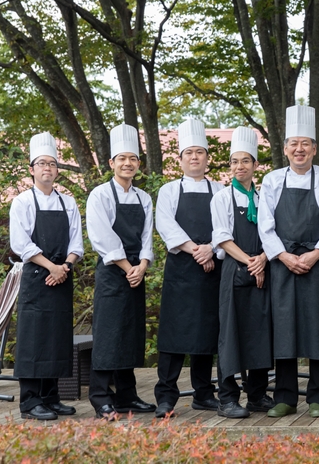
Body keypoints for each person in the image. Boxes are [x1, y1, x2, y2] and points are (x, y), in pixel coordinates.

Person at [258, 105, 319, 418]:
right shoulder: (270, 181)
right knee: (284, 328)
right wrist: (282, 255)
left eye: (305, 143)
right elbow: (265, 224)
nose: (299, 149)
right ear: (284, 149)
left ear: (314, 149)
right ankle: (285, 397)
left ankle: (318, 398)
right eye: (293, 143)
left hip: (316, 261)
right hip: (282, 262)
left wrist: (316, 253)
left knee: (316, 325)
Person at [9, 132, 83, 421]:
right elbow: (21, 244)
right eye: (42, 164)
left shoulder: (68, 203)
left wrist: (65, 267)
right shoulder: (22, 202)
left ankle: (52, 397)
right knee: (33, 338)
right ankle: (30, 402)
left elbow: (77, 244)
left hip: (63, 275)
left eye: (52, 164)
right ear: (32, 169)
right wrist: (51, 267)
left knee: (57, 337)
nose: (48, 169)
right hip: (37, 277)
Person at [86, 124, 157, 420]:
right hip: (113, 273)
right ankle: (101, 397)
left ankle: (127, 396)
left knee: (129, 333)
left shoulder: (143, 198)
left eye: (133, 159)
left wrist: (143, 265)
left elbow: (147, 237)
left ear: (138, 164)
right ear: (111, 163)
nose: (127, 164)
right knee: (108, 334)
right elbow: (102, 237)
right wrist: (129, 267)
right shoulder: (100, 195)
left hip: (135, 273)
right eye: (122, 159)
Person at [154, 118, 223, 418]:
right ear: (180, 159)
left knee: (206, 332)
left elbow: (226, 227)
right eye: (189, 153)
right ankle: (166, 397)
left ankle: (204, 393)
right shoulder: (168, 191)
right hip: (182, 271)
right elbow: (165, 224)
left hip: (212, 271)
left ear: (208, 158)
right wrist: (196, 249)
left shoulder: (221, 189)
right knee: (173, 333)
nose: (195, 157)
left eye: (200, 152)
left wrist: (212, 249)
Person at [212, 126, 275, 418]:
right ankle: (227, 398)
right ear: (230, 166)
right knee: (230, 334)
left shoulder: (264, 199)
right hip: (234, 272)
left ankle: (258, 395)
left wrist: (263, 258)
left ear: (256, 165)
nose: (240, 167)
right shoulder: (222, 198)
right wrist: (252, 262)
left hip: (262, 272)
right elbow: (222, 238)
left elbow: (274, 235)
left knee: (261, 333)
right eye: (235, 162)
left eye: (246, 161)